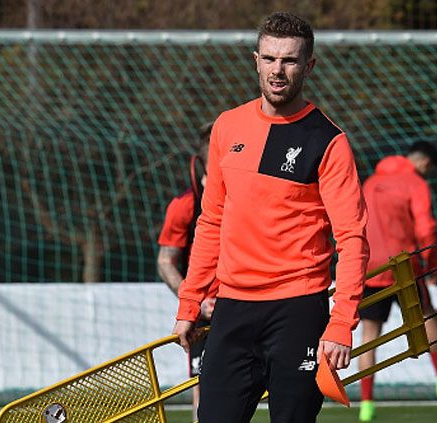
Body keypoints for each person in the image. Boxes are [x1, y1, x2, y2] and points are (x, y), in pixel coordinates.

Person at [172, 11, 369, 423]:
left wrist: (341, 324)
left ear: (309, 65)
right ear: (256, 60)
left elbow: (352, 240)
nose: (277, 70)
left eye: (290, 60)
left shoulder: (329, 142)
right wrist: (190, 301)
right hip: (232, 309)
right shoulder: (227, 127)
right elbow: (211, 221)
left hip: (297, 310)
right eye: (269, 58)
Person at [357, 141, 437, 422]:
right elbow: (426, 227)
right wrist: (432, 265)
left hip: (369, 266)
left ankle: (366, 405)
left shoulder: (370, 183)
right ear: (424, 164)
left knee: (370, 336)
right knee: (427, 317)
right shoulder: (415, 184)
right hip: (404, 266)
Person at [157, 122, 216, 422]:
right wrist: (195, 301)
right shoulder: (184, 206)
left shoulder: (251, 198)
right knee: (204, 389)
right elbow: (166, 261)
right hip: (205, 314)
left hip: (251, 303)